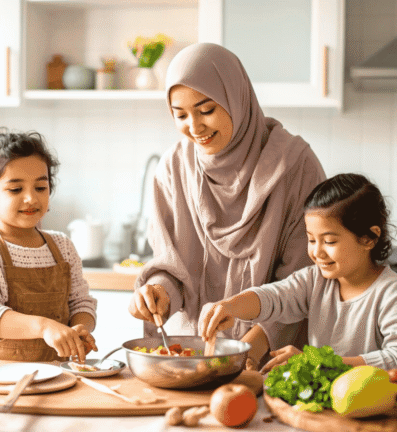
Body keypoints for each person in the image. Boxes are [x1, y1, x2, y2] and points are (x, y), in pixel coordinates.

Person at [127, 42, 327, 370]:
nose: (195, 127)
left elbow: (304, 278)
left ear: (236, 97)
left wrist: (247, 350)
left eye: (206, 110)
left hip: (269, 358)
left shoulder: (295, 166)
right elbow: (171, 264)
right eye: (180, 114)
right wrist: (157, 292)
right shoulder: (173, 168)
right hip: (189, 356)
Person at [198, 173, 397, 373]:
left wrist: (318, 363)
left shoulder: (394, 293)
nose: (317, 252)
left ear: (369, 238)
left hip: (372, 414)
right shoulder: (314, 280)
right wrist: (229, 306)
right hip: (321, 407)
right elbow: (274, 297)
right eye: (311, 239)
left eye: (329, 241)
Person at [0, 128, 98, 362]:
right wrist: (44, 327)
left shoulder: (63, 247)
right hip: (0, 379)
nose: (31, 198)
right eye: (15, 189)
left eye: (40, 187)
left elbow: (81, 303)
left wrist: (81, 328)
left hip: (59, 376)